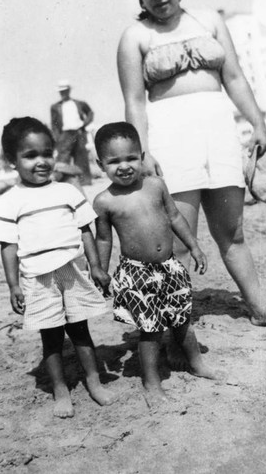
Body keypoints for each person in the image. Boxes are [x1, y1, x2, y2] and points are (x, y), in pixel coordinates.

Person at [116, 0, 266, 330]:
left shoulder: (209, 20)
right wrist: (143, 151)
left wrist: (258, 123)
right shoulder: (134, 37)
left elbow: (235, 78)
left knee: (232, 231)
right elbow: (134, 101)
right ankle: (174, 327)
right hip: (169, 136)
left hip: (218, 131)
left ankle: (260, 309)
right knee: (180, 239)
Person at [0, 117, 113, 418]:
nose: (41, 161)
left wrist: (96, 266)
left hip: (71, 270)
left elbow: (86, 231)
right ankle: (60, 389)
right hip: (38, 277)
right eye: (30, 156)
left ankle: (94, 381)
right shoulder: (9, 201)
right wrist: (14, 285)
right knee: (52, 336)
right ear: (11, 160)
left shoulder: (67, 192)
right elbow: (9, 247)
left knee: (80, 329)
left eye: (47, 153)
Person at [93, 122, 219, 403]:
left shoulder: (156, 185)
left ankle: (196, 364)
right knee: (151, 331)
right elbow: (104, 239)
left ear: (142, 156)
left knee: (183, 320)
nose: (124, 166)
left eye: (131, 158)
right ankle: (151, 382)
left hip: (170, 266)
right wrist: (99, 268)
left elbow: (175, 217)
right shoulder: (105, 201)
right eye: (114, 161)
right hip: (137, 273)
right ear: (100, 164)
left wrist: (194, 246)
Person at [51, 80, 93, 185]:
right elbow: (54, 124)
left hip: (79, 132)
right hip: (65, 134)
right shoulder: (55, 107)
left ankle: (85, 181)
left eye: (65, 91)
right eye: (61, 91)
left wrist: (84, 124)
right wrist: (57, 138)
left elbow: (90, 113)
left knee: (81, 157)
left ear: (69, 90)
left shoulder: (79, 103)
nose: (63, 93)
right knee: (63, 159)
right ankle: (63, 182)